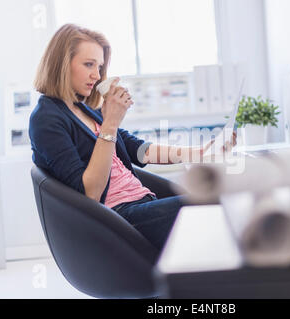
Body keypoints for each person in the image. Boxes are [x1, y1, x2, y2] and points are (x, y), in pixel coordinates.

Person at [29, 24, 236, 251]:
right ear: (61, 64)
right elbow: (89, 193)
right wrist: (110, 123)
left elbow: (139, 150)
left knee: (219, 207)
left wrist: (200, 152)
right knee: (212, 205)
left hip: (143, 202)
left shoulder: (85, 109)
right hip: (118, 218)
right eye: (88, 64)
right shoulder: (46, 119)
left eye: (99, 67)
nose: (96, 76)